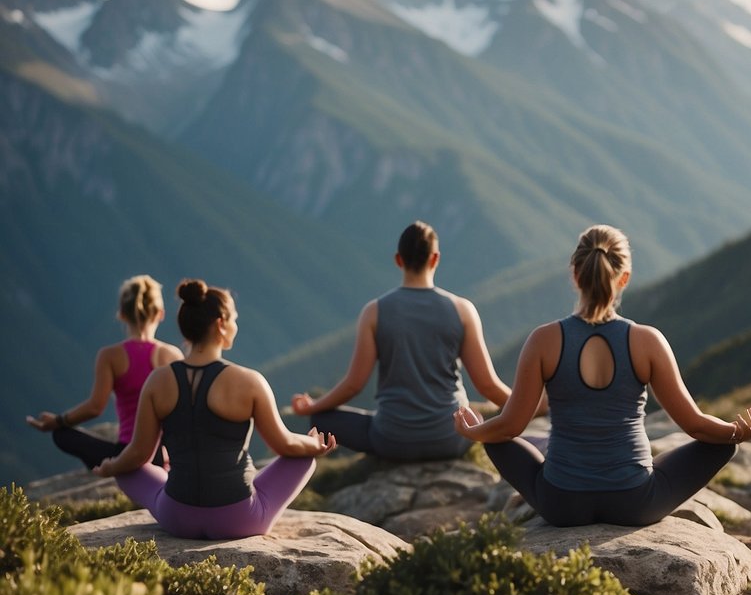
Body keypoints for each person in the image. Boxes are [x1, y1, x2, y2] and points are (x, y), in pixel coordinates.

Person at [454, 224, 751, 527]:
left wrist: (475, 432)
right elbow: (695, 425)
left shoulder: (544, 340)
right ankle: (637, 472)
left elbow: (511, 425)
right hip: (635, 502)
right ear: (624, 278)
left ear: (576, 276)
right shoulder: (647, 341)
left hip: (563, 504)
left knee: (494, 438)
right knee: (722, 445)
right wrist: (736, 432)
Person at [95, 279, 337, 539]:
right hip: (239, 520)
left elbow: (138, 454)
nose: (235, 325)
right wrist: (313, 445)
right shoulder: (249, 381)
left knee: (127, 469)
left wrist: (112, 467)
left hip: (177, 517)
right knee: (303, 458)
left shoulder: (157, 381)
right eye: (233, 319)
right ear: (221, 324)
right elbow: (285, 445)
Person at [291, 221, 513, 461]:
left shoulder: (374, 312)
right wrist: (531, 407)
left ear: (398, 260)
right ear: (435, 259)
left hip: (393, 441)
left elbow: (354, 385)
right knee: (475, 418)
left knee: (321, 420)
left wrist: (312, 407)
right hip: (452, 438)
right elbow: (487, 385)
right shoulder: (463, 310)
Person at [27, 275, 183, 469]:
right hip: (162, 453)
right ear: (160, 314)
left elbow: (95, 407)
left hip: (125, 451)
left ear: (122, 315)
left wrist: (57, 421)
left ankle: (113, 469)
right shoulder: (172, 355)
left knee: (62, 435)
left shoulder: (110, 356)